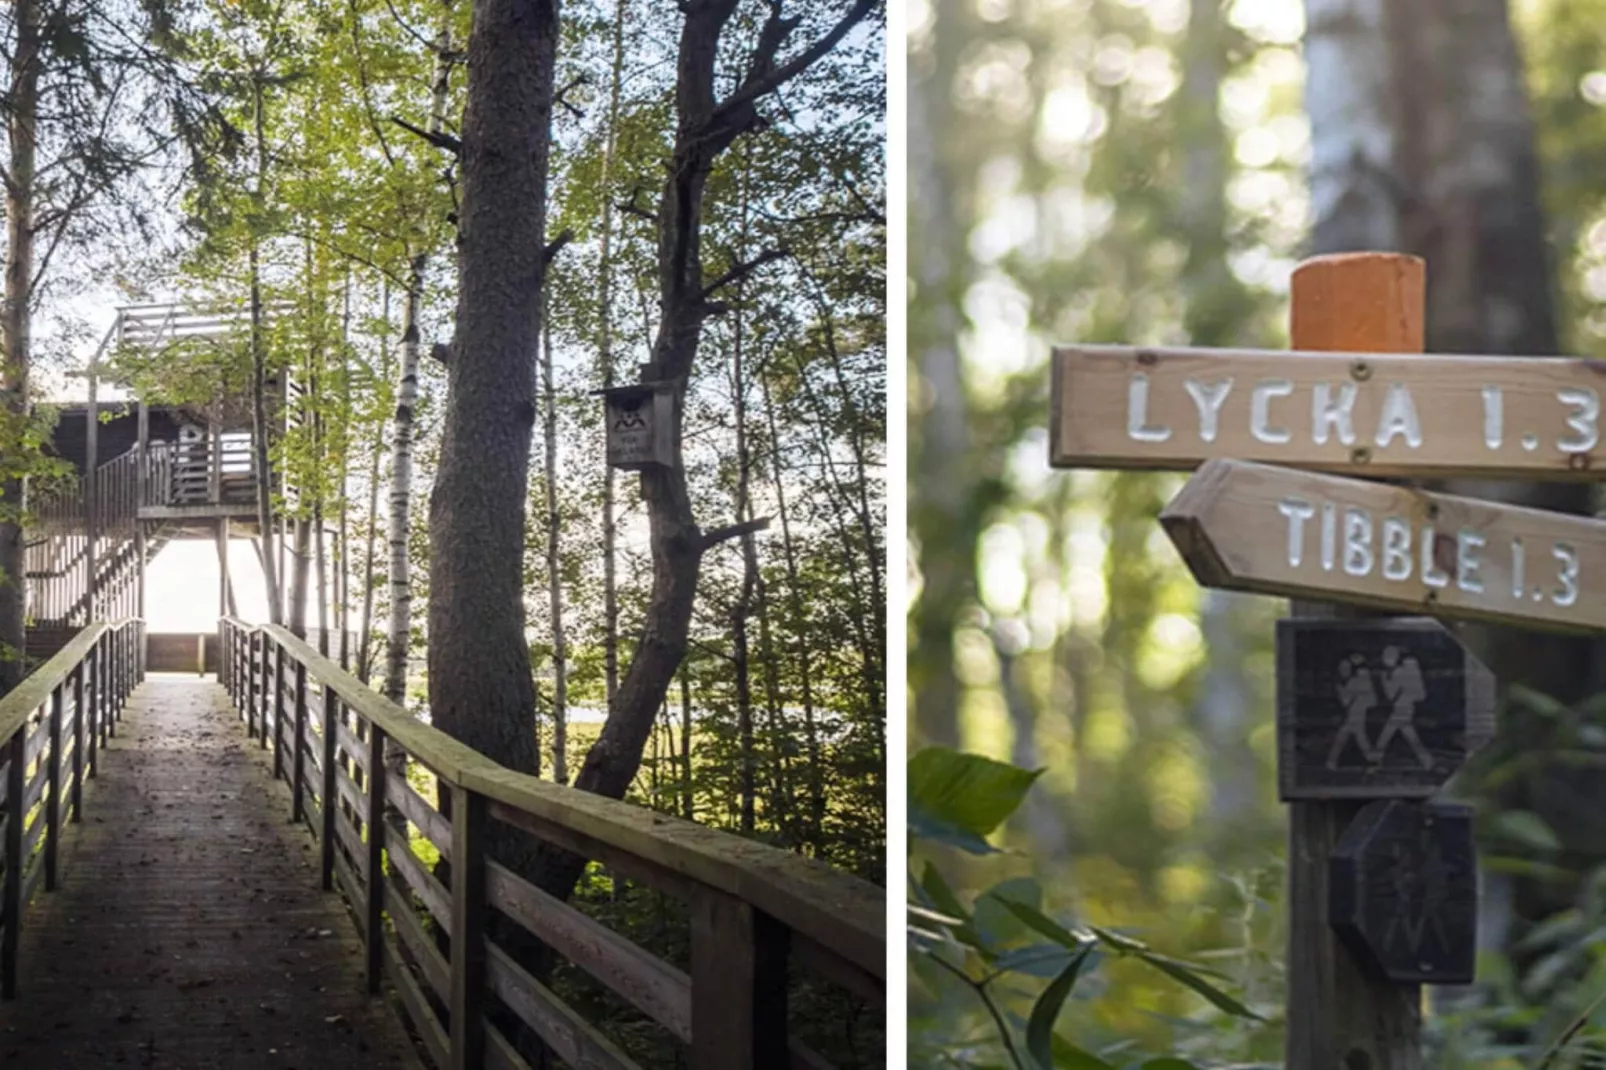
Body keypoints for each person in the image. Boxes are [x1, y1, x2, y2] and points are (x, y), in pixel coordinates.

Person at [1375, 645, 1434, 770]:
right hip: (1400, 708)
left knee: (1386, 735)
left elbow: (1413, 691)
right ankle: (1428, 762)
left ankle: (1375, 760)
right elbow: (1390, 694)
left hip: (1404, 708)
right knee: (1410, 737)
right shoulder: (1388, 674)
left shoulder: (1399, 672)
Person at [1328, 653, 1376, 769]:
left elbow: (1346, 701)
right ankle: (1372, 760)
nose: (1342, 670)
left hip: (1355, 715)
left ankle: (1331, 762)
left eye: (1346, 667)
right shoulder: (1364, 679)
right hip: (1357, 714)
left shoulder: (1355, 682)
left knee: (1344, 736)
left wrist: (1340, 689)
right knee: (1358, 737)